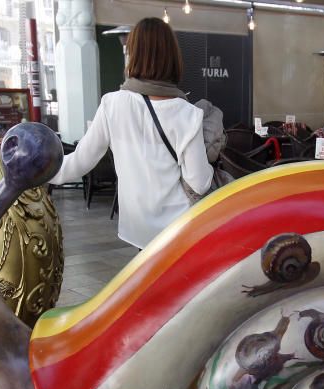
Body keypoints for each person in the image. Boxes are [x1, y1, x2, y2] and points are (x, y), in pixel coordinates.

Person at [48, 17, 212, 249]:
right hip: (177, 227)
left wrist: (37, 173)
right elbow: (200, 183)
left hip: (138, 228)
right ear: (173, 57)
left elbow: (79, 162)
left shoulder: (111, 104)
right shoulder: (187, 113)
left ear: (132, 55)